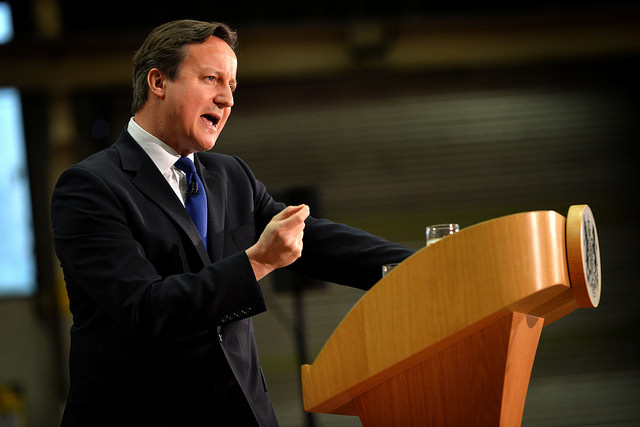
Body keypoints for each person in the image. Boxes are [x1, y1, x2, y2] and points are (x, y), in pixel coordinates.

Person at [51, 19, 414, 426]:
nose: (226, 100)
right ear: (158, 82)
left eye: (233, 86)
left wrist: (424, 266)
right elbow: (147, 308)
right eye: (211, 79)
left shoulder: (230, 176)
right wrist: (257, 262)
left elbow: (310, 240)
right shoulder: (89, 187)